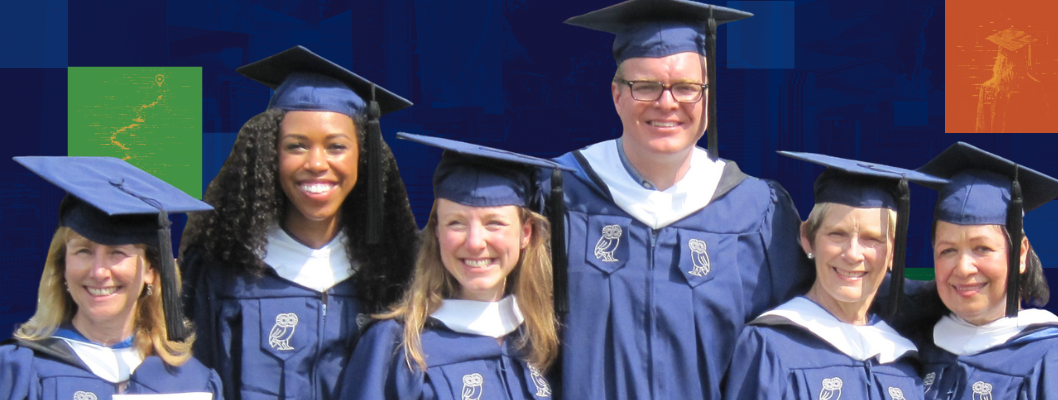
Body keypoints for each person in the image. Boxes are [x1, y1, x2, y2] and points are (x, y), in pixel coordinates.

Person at [549, 0, 814, 398]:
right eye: (646, 86)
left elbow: (812, 325)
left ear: (708, 97)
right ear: (617, 94)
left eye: (687, 88)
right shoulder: (557, 192)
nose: (667, 102)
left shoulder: (757, 211)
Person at [180, 46, 420, 400]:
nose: (317, 163)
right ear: (269, 154)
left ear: (364, 157)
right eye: (296, 146)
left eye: (336, 146)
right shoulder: (223, 270)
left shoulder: (398, 271)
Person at [341, 133, 564, 399]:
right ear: (436, 231)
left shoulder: (542, 338)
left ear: (526, 233)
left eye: (494, 223)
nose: (474, 242)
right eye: (456, 223)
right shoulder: (395, 346)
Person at [723, 152, 946, 399]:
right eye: (837, 234)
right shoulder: (768, 347)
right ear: (808, 238)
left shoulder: (901, 361)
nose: (852, 254)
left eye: (872, 239)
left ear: (894, 251)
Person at [0, 156, 222, 400]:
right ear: (63, 265)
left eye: (118, 252)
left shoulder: (195, 382)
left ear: (151, 270)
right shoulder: (20, 370)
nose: (98, 272)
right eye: (83, 251)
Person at [914, 142, 1058, 399]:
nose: (964, 268)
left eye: (982, 248)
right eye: (947, 250)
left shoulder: (1056, 357)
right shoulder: (910, 349)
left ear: (1021, 254)